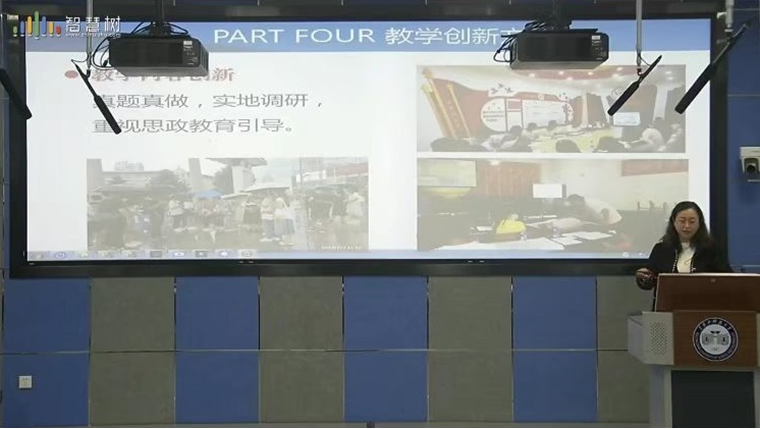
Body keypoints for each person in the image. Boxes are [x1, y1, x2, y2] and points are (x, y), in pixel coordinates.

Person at [636, 201, 732, 295]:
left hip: (703, 302)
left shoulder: (712, 249)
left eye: (692, 222)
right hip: (669, 302)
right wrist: (643, 279)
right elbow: (649, 283)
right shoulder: (661, 249)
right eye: (682, 221)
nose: (687, 226)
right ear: (674, 221)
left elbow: (727, 280)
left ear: (699, 223)